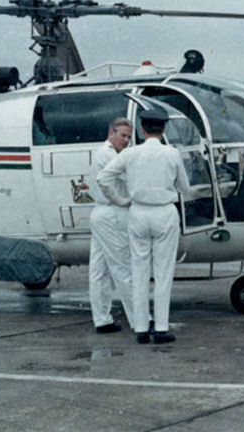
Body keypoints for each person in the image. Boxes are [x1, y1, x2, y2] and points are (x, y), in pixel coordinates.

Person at [97, 109, 190, 344]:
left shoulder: (130, 154)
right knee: (163, 273)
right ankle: (161, 328)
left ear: (142, 129)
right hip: (165, 213)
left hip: (138, 212)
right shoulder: (172, 153)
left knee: (139, 271)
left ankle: (140, 328)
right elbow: (184, 187)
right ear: (164, 130)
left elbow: (103, 179)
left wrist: (120, 200)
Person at [88, 118, 141, 334]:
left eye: (129, 137)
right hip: (112, 212)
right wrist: (122, 201)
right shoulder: (108, 154)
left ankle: (102, 319)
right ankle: (140, 320)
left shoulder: (107, 153)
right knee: (122, 267)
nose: (127, 141)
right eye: (123, 136)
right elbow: (119, 177)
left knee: (99, 269)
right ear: (112, 133)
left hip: (101, 213)